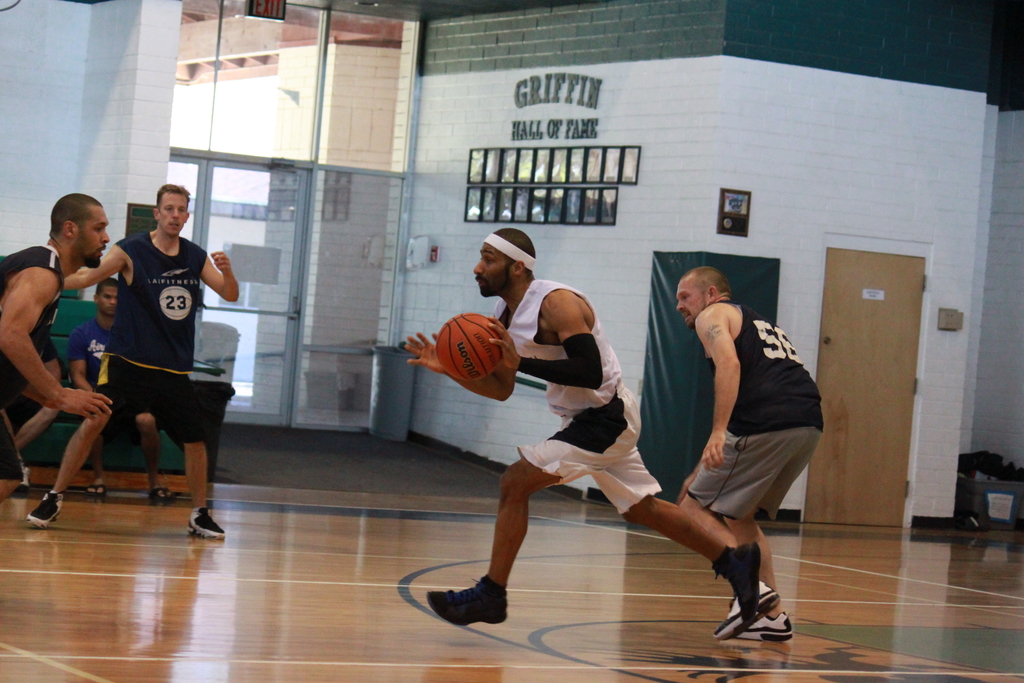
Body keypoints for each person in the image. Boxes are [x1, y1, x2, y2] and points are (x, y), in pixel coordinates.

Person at [406, 228, 765, 638]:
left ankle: (491, 594)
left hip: (606, 417)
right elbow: (501, 389)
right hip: (584, 420)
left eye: (488, 259)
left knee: (514, 482)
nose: (477, 267)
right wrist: (450, 370)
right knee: (642, 509)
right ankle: (734, 562)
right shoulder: (503, 318)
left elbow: (590, 371)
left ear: (517, 267)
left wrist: (521, 362)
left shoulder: (557, 302)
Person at [27, 184, 239, 538]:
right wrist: (45, 277)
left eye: (181, 210)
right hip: (127, 361)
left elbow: (229, 293)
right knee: (94, 421)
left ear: (187, 216)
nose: (175, 215)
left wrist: (228, 271)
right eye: (168, 208)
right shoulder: (131, 249)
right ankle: (54, 496)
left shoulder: (195, 256)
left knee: (195, 440)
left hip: (172, 367)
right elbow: (87, 276)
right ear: (157, 213)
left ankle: (199, 513)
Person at [674, 266, 823, 642]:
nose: (679, 306)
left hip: (766, 421)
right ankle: (772, 617)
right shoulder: (755, 321)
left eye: (685, 296)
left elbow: (729, 364)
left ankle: (752, 585)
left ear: (711, 293)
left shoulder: (712, 315)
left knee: (690, 509)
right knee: (738, 516)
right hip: (808, 423)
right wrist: (703, 465)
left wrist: (718, 431)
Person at [0, 193, 113, 509]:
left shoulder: (49, 272)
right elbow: (9, 335)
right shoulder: (42, 271)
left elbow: (9, 360)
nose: (106, 238)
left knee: (7, 475)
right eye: (99, 228)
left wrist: (47, 397)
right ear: (70, 229)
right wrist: (59, 394)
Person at [66, 277, 173, 499]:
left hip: (131, 397)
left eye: (117, 298)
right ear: (96, 299)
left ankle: (154, 480)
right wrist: (95, 398)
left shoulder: (135, 334)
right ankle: (98, 478)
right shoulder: (81, 333)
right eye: (107, 297)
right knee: (93, 418)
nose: (113, 302)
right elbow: (78, 376)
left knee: (147, 420)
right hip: (100, 396)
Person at [3, 341, 63, 492]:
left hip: (26, 394)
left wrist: (48, 395)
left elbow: (54, 375)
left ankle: (11, 457)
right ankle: (14, 460)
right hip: (5, 392)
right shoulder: (9, 334)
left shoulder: (40, 337)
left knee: (53, 407)